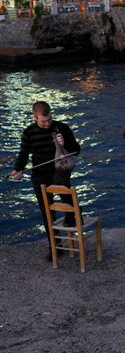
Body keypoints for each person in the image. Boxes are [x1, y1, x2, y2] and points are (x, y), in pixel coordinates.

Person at [10, 101, 81, 260]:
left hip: (59, 168)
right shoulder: (28, 132)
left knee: (62, 187)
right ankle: (56, 247)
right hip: (40, 174)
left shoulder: (61, 127)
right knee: (46, 210)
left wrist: (65, 144)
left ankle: (74, 213)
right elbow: (23, 154)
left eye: (49, 119)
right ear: (35, 117)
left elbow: (77, 150)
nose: (48, 123)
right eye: (44, 121)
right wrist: (18, 169)